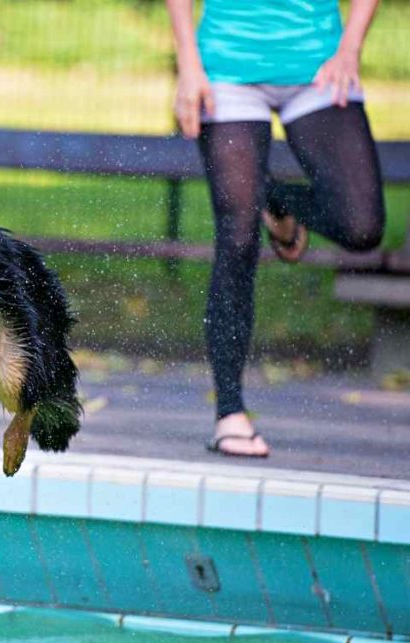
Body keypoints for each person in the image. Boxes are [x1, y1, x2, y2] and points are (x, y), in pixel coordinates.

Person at [166, 0, 386, 457]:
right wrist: (189, 64)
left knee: (361, 225)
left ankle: (274, 198)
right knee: (238, 234)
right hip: (226, 67)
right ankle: (230, 414)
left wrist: (351, 47)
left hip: (319, 66)